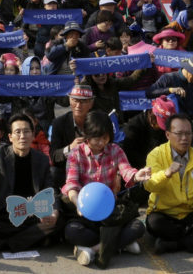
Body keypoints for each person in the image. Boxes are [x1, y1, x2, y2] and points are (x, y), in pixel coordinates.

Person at [62, 111, 150, 269]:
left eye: (105, 137)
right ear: (87, 135)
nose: (101, 142)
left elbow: (126, 170)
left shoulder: (115, 150)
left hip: (110, 211)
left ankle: (93, 250)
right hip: (86, 213)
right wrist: (78, 204)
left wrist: (137, 175)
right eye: (97, 138)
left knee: (138, 227)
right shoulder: (76, 154)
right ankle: (120, 244)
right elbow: (72, 184)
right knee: (71, 231)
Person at [0, 113, 60, 253]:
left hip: (31, 215)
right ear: (10, 137)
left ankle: (7, 243)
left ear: (33, 135)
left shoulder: (41, 159)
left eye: (27, 131)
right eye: (18, 132)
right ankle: (32, 239)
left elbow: (51, 190)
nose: (22, 136)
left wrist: (54, 213)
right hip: (4, 214)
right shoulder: (0, 155)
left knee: (59, 222)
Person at [143, 112, 193, 254]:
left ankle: (172, 244)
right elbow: (149, 185)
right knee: (153, 224)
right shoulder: (155, 155)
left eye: (188, 133)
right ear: (168, 135)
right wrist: (166, 174)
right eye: (179, 133)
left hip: (190, 212)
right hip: (164, 213)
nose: (184, 138)